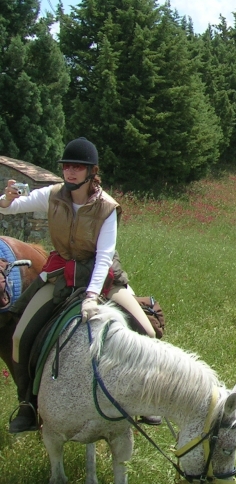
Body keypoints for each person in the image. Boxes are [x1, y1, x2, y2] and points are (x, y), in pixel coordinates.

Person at [0, 137, 156, 433]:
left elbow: (104, 257)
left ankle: (144, 401)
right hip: (62, 272)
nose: (70, 172)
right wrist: (6, 199)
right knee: (19, 337)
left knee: (146, 331)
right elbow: (10, 208)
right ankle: (28, 406)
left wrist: (91, 296)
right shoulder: (53, 194)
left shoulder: (107, 207)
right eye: (66, 167)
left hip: (103, 275)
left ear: (91, 171)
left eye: (77, 167)